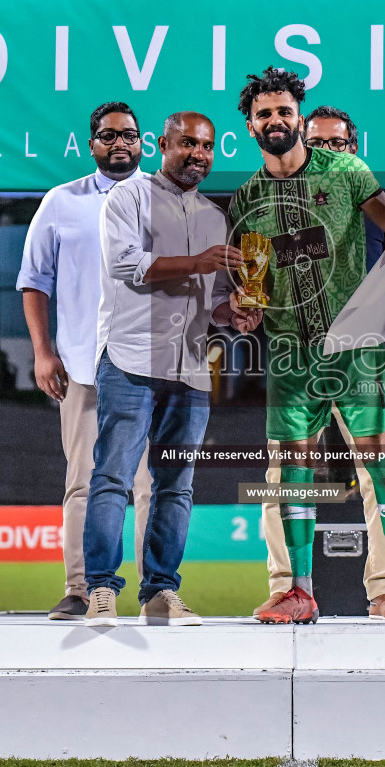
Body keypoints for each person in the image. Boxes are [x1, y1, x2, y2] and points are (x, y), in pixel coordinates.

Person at [227, 67, 385, 625]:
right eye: (265, 114)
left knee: (382, 461)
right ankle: (299, 592)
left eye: (285, 111)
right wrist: (245, 308)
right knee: (292, 470)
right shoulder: (245, 200)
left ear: (299, 118)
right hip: (289, 351)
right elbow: (256, 288)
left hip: (354, 342)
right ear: (251, 125)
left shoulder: (347, 171)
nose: (276, 120)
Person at [84, 111, 262, 627]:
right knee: (114, 477)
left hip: (189, 368)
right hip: (130, 360)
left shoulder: (214, 215)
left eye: (206, 147)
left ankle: (160, 592)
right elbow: (124, 265)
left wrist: (236, 315)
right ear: (162, 144)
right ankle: (100, 589)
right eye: (187, 144)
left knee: (177, 485)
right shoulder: (129, 197)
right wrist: (197, 262)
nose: (198, 155)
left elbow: (215, 300)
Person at [19, 102, 153, 621]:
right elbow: (34, 281)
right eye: (108, 136)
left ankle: (154, 593)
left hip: (148, 369)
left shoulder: (166, 200)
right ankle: (80, 590)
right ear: (90, 143)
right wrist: (43, 352)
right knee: (85, 480)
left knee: (149, 485)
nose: (120, 143)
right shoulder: (61, 202)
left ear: (144, 143)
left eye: (130, 136)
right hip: (82, 366)